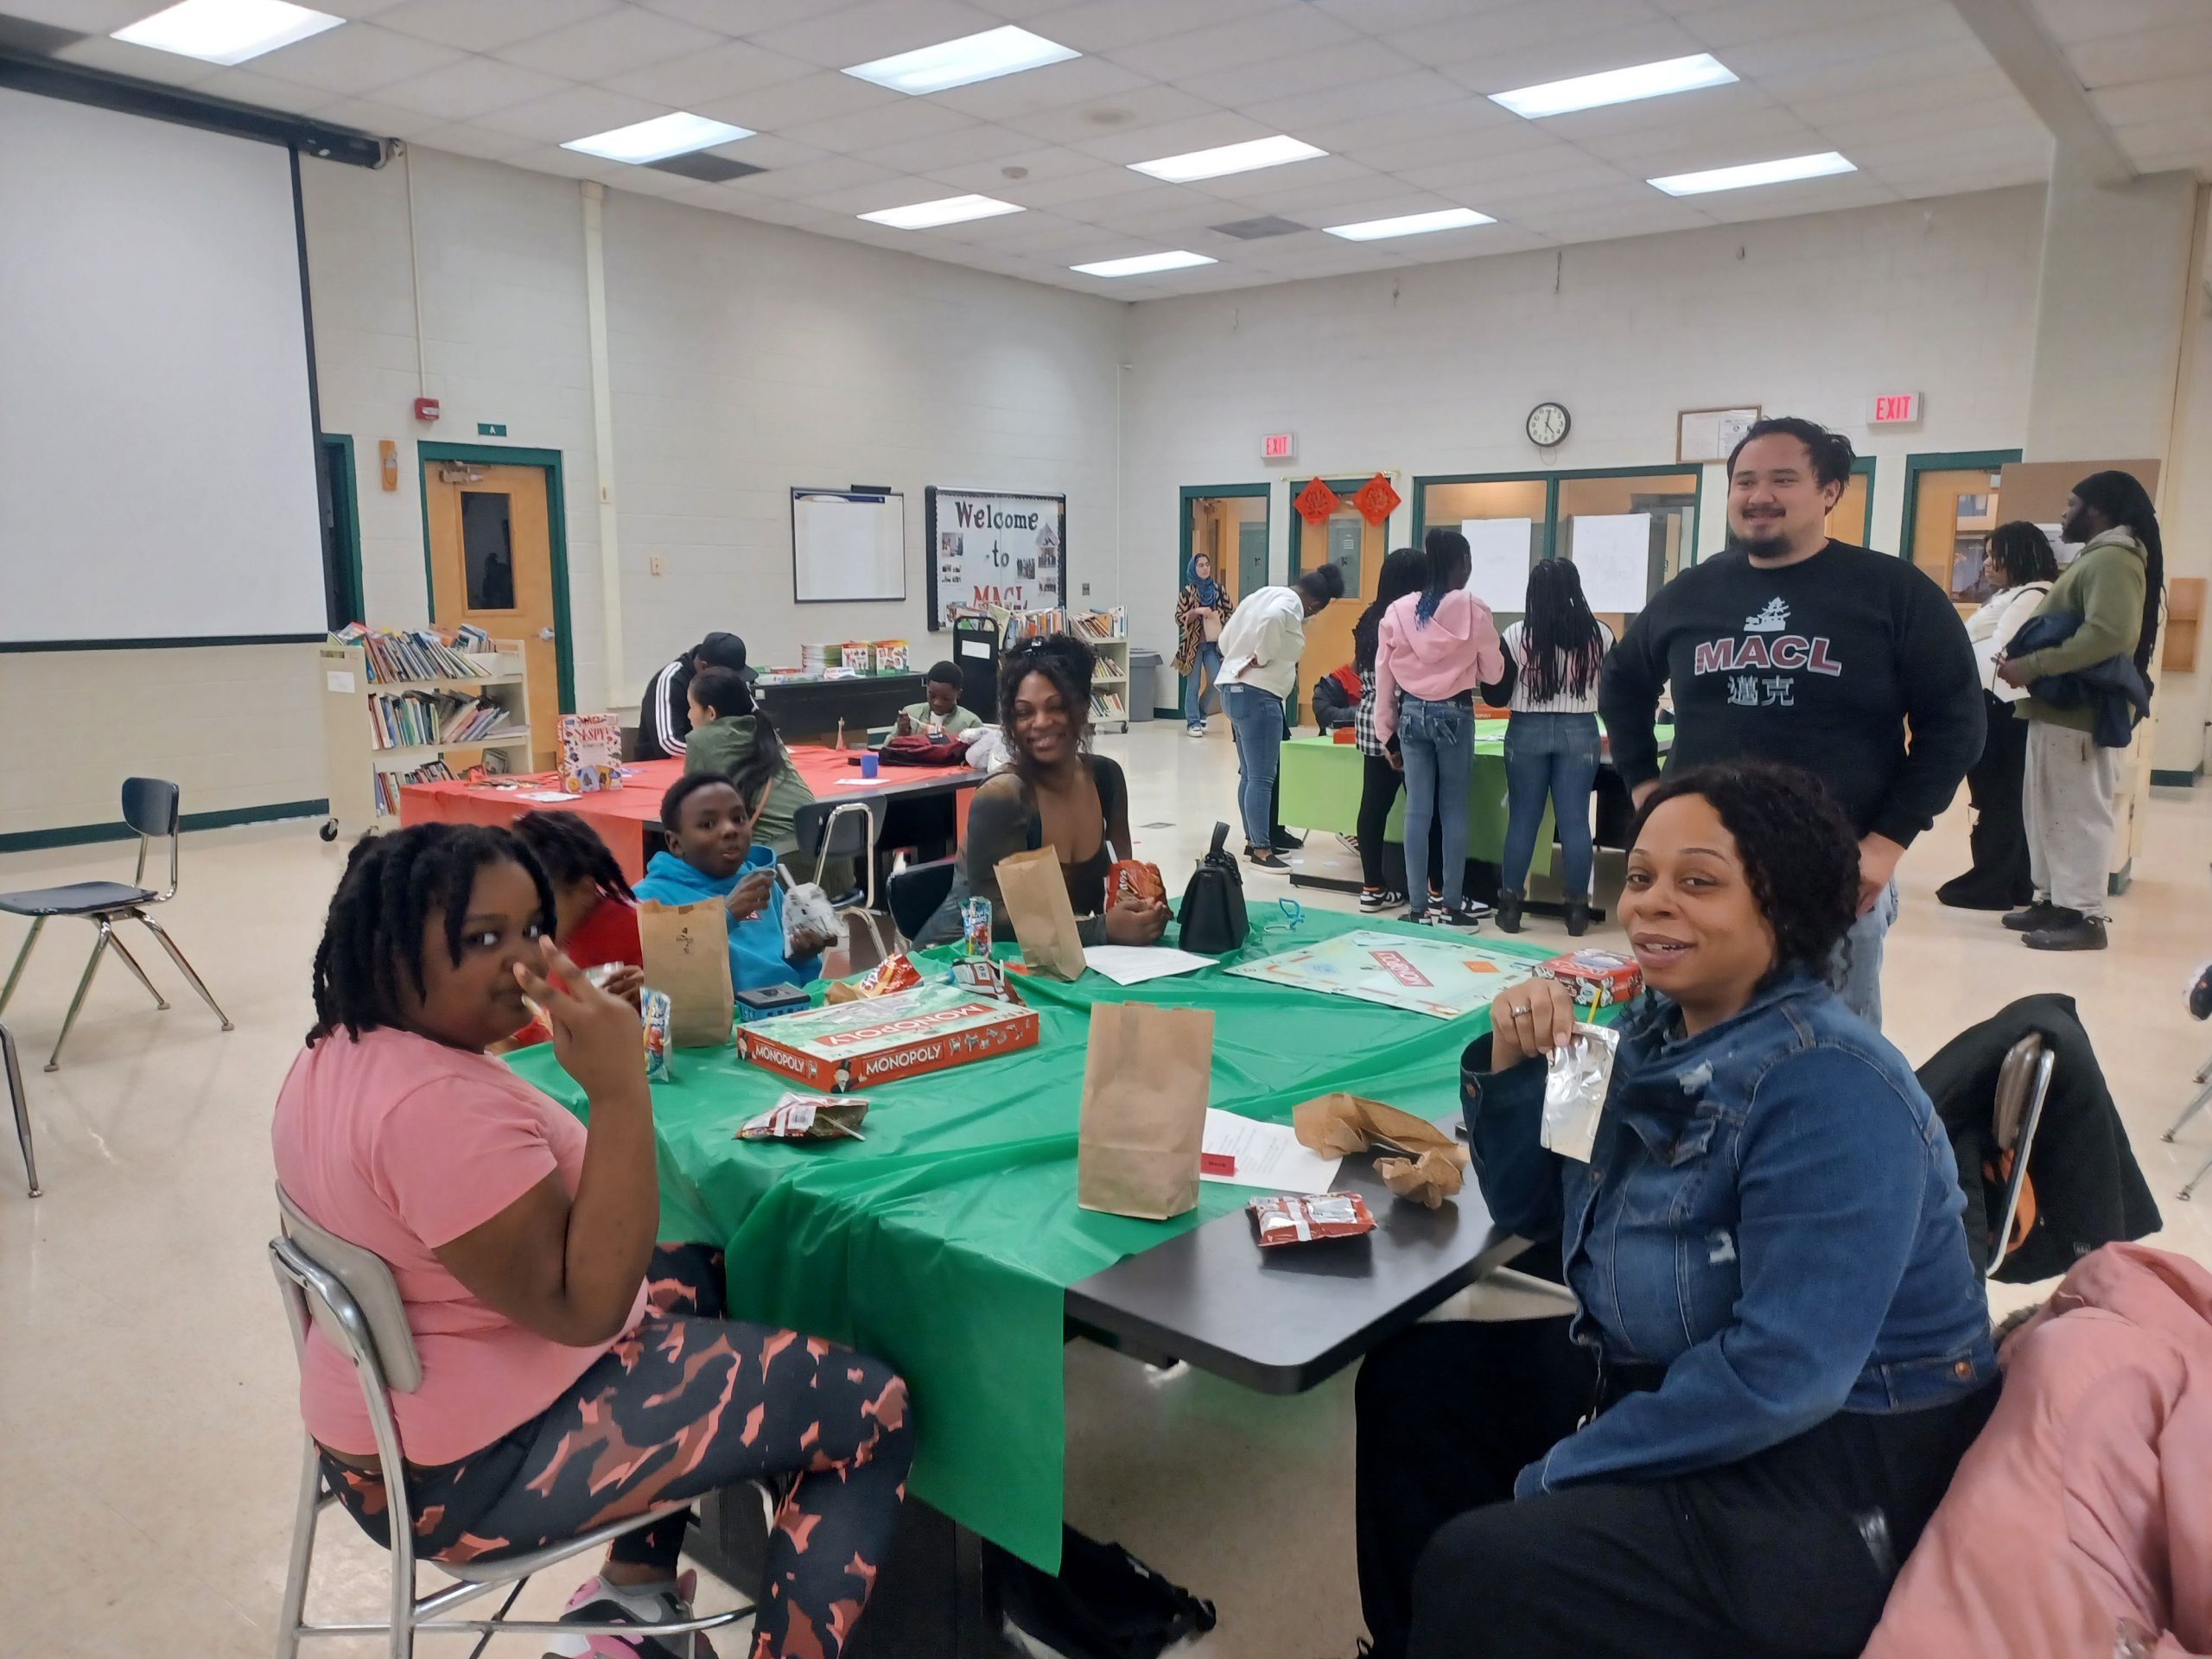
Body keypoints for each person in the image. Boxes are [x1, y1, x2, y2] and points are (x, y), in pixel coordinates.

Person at [1355, 762, 1997, 1659]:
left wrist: (1568, 1468)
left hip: (1841, 1460)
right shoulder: (1637, 1030)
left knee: (1489, 1565)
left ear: (1783, 906)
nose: (1651, 903)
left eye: (1698, 881)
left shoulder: (1828, 1083)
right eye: (1641, 876)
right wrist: (1511, 1066)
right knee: (1414, 1383)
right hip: (1675, 1372)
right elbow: (1536, 1210)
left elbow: (1786, 1373)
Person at [272, 824, 911, 1657]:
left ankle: (633, 1595)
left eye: (533, 929)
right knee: (870, 1408)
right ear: (391, 951)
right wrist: (616, 1089)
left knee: (696, 1270)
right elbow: (587, 1309)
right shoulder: (434, 1110)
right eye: (484, 939)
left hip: (391, 1434)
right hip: (470, 1477)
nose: (526, 961)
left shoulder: (341, 1048)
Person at [1599, 416, 1981, 1029]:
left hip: (1834, 876)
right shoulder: (1692, 592)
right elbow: (1621, 681)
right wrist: (1645, 787)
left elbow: (1956, 723)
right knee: (1688, 1035)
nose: (1759, 496)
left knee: (1826, 1043)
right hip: (1698, 872)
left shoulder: (1891, 592)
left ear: (1829, 491)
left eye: (1782, 479)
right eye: (1745, 481)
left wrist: (1886, 845)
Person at [1998, 469, 2164, 952]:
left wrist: (2032, 664)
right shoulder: (2098, 557)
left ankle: (2086, 916)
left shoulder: (2115, 558)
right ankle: (2055, 901)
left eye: (2071, 505)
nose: (2064, 513)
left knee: (2077, 813)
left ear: (2098, 510)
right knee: (2047, 811)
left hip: (2082, 710)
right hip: (2057, 708)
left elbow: (2108, 635)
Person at [918, 635, 1167, 950]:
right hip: (960, 961)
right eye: (1024, 712)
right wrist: (1101, 930)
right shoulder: (1003, 796)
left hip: (1063, 959)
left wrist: (1143, 911)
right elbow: (991, 920)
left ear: (1084, 706)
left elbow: (1121, 883)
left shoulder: (1106, 778)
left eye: (1056, 707)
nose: (1040, 722)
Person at [1375, 529, 1505, 928]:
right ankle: (1450, 906)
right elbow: (1494, 672)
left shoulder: (1398, 611)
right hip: (1455, 713)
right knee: (1453, 811)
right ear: (1462, 564)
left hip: (1411, 714)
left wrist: (1386, 733)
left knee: (1417, 810)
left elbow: (1384, 676)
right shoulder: (1474, 609)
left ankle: (1417, 910)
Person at [1936, 523, 2056, 912]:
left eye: (1994, 555)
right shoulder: (2009, 594)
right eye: (1986, 555)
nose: (1986, 564)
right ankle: (2011, 880)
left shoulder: (2033, 593)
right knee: (1999, 795)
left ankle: (1995, 881)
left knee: (2000, 796)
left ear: (2019, 554)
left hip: (2002, 706)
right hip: (1993, 702)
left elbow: (2001, 646)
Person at [1493, 557, 1613, 937]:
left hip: (1526, 729)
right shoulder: (1600, 635)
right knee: (1575, 820)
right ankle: (1576, 912)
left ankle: (1511, 909)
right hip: (1580, 730)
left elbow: (1496, 693)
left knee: (1523, 820)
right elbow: (1613, 689)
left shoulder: (1515, 634)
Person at [633, 772, 834, 991]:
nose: (730, 830)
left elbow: (793, 973)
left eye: (739, 819)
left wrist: (804, 955)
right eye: (708, 824)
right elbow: (663, 982)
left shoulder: (764, 884)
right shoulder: (649, 900)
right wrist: (725, 916)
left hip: (789, 1005)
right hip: (719, 1012)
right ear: (675, 843)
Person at [1217, 563, 1344, 869]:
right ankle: (1261, 850)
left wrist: (1238, 657)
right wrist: (1261, 656)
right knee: (1262, 778)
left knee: (1250, 776)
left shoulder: (1264, 593)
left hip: (1233, 690)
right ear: (1315, 604)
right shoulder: (1289, 605)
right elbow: (1273, 620)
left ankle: (1253, 840)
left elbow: (1224, 639)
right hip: (1259, 696)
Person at [502, 810, 644, 1049]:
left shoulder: (619, 938)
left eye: (540, 912)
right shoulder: (571, 927)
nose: (526, 925)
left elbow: (574, 1036)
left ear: (585, 890)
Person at [1354, 548, 1444, 915]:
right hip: (1404, 721)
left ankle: (1372, 888)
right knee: (1426, 809)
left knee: (1373, 807)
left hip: (1369, 719)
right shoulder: (1411, 619)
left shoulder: (1367, 618)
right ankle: (1436, 889)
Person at [683, 666, 818, 874]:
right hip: (827, 852)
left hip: (779, 866)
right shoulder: (765, 730)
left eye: (691, 707)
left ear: (710, 713)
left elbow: (691, 812)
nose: (688, 715)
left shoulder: (700, 741)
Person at [634, 631, 750, 761]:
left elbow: (756, 718)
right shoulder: (671, 680)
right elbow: (669, 743)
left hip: (720, 760)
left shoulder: (732, 680)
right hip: (665, 764)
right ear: (704, 667)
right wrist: (721, 752)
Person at [1174, 552, 1235, 737]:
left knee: (1216, 681)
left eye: (1207, 565)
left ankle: (1201, 711)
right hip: (1193, 646)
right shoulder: (1187, 591)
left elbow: (1231, 612)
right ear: (1194, 568)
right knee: (1193, 685)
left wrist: (1218, 617)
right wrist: (1197, 611)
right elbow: (1179, 618)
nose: (1205, 568)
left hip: (1213, 645)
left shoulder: (1218, 590)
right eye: (1200, 565)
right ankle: (1193, 722)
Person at [896, 660, 983, 738]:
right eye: (932, 696)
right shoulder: (911, 714)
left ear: (958, 694)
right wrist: (902, 734)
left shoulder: (971, 724)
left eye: (946, 698)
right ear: (927, 689)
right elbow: (889, 748)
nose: (937, 703)